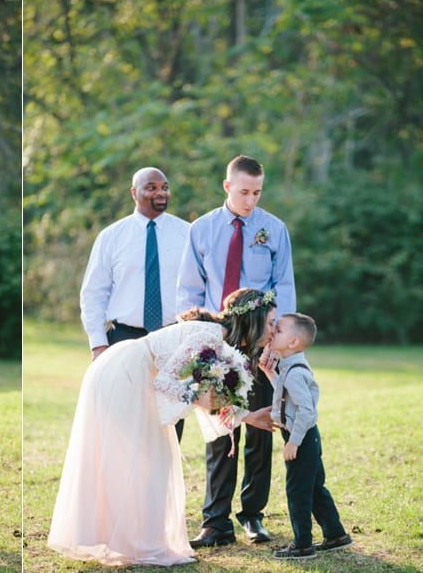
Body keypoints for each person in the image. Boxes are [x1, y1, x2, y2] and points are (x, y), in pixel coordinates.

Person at [47, 288, 277, 566]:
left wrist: (246, 415)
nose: (273, 330)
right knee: (146, 459)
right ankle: (140, 546)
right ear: (253, 320)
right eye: (270, 322)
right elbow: (167, 383)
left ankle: (134, 542)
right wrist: (205, 397)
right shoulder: (209, 335)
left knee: (149, 459)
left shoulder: (218, 339)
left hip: (134, 375)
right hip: (126, 374)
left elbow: (190, 387)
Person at [176, 154, 296, 547]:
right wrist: (197, 337)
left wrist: (276, 343)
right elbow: (190, 289)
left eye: (257, 192)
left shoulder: (274, 229)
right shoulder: (202, 229)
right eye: (244, 192)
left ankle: (253, 514)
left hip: (261, 343)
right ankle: (215, 522)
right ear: (227, 187)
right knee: (219, 429)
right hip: (218, 343)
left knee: (260, 427)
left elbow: (286, 287)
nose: (251, 200)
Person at [80, 167, 189, 437]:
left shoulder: (188, 234)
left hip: (172, 337)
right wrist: (98, 344)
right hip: (124, 338)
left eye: (164, 187)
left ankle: (164, 478)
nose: (160, 192)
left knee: (171, 421)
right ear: (134, 192)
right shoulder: (111, 237)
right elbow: (93, 293)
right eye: (151, 187)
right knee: (123, 420)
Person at [261, 313, 352, 559]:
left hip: (301, 438)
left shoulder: (295, 372)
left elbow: (306, 412)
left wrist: (293, 442)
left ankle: (302, 544)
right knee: (313, 487)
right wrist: (270, 374)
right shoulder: (289, 367)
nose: (272, 333)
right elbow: (287, 394)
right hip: (307, 438)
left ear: (293, 342)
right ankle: (336, 534)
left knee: (297, 491)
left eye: (277, 330)